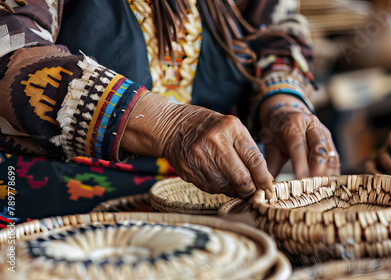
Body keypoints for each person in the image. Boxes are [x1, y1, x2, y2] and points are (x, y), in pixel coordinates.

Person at [0, 0, 339, 222]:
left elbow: (279, 34)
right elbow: (7, 46)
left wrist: (283, 103)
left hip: (212, 198)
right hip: (59, 206)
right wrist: (168, 124)